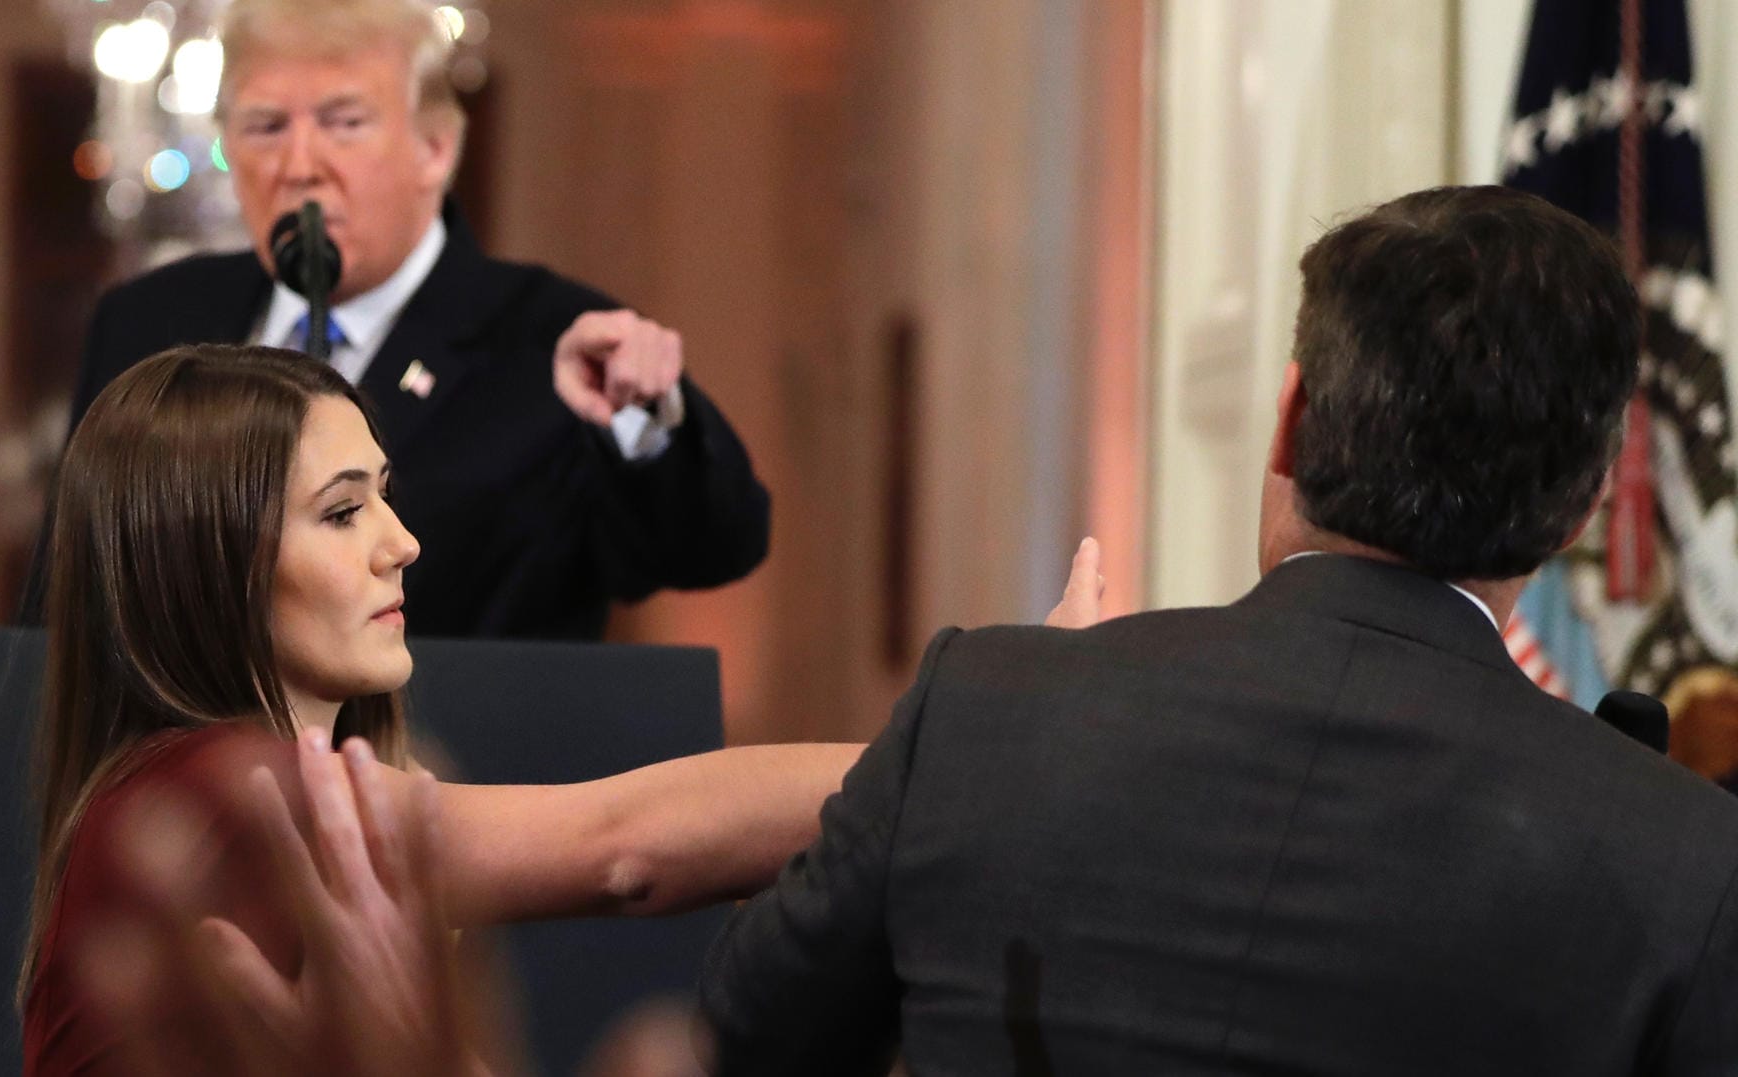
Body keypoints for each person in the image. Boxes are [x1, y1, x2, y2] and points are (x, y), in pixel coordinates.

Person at [699, 186, 1738, 1073]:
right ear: (1586, 506)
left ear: (1288, 422)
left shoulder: (986, 708)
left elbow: (746, 1039)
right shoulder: (1683, 861)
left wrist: (1048, 708)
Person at [19, 344, 842, 1076]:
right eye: (343, 512)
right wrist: (935, 762)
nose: (403, 541)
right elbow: (624, 850)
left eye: (385, 495)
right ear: (206, 565)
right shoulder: (220, 797)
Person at [61, 0, 769, 640]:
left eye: (345, 122)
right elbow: (66, 605)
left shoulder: (554, 341)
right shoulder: (147, 323)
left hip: (457, 773)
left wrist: (643, 417)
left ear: (436, 149)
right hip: (188, 773)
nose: (299, 164)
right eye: (266, 125)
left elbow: (711, 545)